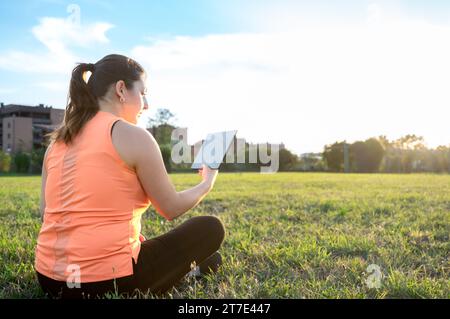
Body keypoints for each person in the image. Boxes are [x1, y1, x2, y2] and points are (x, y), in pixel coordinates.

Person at [34, 54, 225, 299]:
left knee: (211, 260)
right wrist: (207, 182)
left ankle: (183, 271)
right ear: (121, 89)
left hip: (49, 279)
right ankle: (173, 274)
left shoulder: (57, 143)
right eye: (143, 93)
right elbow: (171, 207)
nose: (146, 104)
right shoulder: (133, 135)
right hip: (102, 283)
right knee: (209, 228)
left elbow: (45, 213)